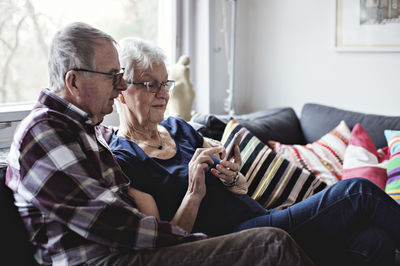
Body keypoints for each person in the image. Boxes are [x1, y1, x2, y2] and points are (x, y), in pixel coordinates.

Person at [5, 22, 314, 266]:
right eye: (113, 76)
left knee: (280, 238)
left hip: (130, 252)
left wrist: (228, 175)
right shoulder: (44, 134)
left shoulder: (87, 130)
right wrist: (195, 240)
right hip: (109, 260)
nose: (121, 85)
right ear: (73, 82)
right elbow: (114, 225)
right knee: (271, 244)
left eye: (123, 76)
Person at [110, 37, 400, 266]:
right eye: (150, 84)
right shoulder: (125, 159)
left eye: (165, 83)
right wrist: (193, 194)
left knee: (373, 242)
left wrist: (233, 177)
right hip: (232, 240)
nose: (163, 93)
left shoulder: (178, 128)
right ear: (121, 89)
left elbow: (239, 190)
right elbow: (164, 243)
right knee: (357, 193)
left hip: (262, 218)